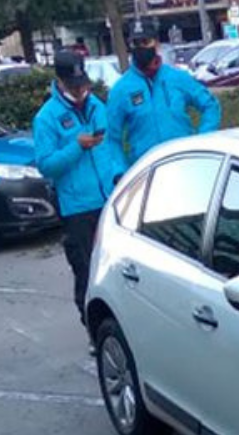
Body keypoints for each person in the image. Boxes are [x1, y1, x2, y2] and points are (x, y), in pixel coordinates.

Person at [32, 51, 121, 338]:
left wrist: (119, 178)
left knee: (117, 269)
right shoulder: (47, 118)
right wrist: (76, 147)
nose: (80, 91)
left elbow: (111, 146)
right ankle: (94, 333)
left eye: (83, 84)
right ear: (59, 80)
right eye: (73, 85)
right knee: (86, 271)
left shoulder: (96, 105)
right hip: (77, 207)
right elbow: (46, 165)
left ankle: (118, 326)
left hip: (108, 198)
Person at [106, 32, 221, 170]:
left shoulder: (176, 77)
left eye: (146, 41)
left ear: (156, 44)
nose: (141, 47)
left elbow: (210, 105)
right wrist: (120, 171)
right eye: (136, 43)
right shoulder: (121, 89)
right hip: (146, 171)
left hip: (185, 165)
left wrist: (201, 141)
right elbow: (111, 136)